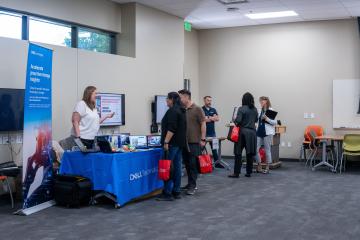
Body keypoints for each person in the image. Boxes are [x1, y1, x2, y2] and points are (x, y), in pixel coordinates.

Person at [156, 92, 187, 201]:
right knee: (177, 168)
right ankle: (176, 191)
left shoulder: (173, 111)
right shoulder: (181, 110)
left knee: (167, 167)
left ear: (172, 100)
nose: (166, 101)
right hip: (179, 143)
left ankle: (167, 193)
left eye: (167, 99)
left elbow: (172, 129)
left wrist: (165, 142)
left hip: (172, 144)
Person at [178, 89, 206, 195]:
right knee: (187, 164)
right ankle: (190, 183)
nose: (179, 99)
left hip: (194, 142)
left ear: (186, 97)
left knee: (193, 164)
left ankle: (193, 186)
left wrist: (203, 139)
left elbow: (203, 124)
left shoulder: (197, 109)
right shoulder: (182, 109)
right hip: (184, 142)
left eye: (181, 97)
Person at [228, 92, 258, 178]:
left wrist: (234, 120)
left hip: (242, 133)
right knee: (250, 153)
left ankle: (236, 173)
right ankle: (249, 172)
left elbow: (238, 121)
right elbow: (256, 120)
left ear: (243, 100)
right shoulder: (255, 109)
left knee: (238, 153)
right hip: (252, 133)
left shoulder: (241, 109)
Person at [256, 96, 277, 174]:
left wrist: (267, 119)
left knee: (267, 150)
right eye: (260, 101)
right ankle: (260, 165)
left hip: (267, 133)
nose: (261, 102)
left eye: (262, 101)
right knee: (255, 149)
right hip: (259, 132)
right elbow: (257, 121)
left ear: (266, 101)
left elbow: (275, 122)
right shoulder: (259, 110)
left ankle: (267, 167)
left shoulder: (271, 110)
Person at [202, 96, 223, 169]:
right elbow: (202, 120)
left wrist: (208, 118)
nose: (209, 102)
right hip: (203, 133)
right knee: (201, 148)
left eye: (210, 100)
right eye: (208, 100)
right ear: (204, 101)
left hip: (212, 133)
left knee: (214, 148)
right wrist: (212, 118)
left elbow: (217, 118)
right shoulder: (201, 109)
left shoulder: (213, 109)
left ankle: (217, 163)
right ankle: (200, 163)